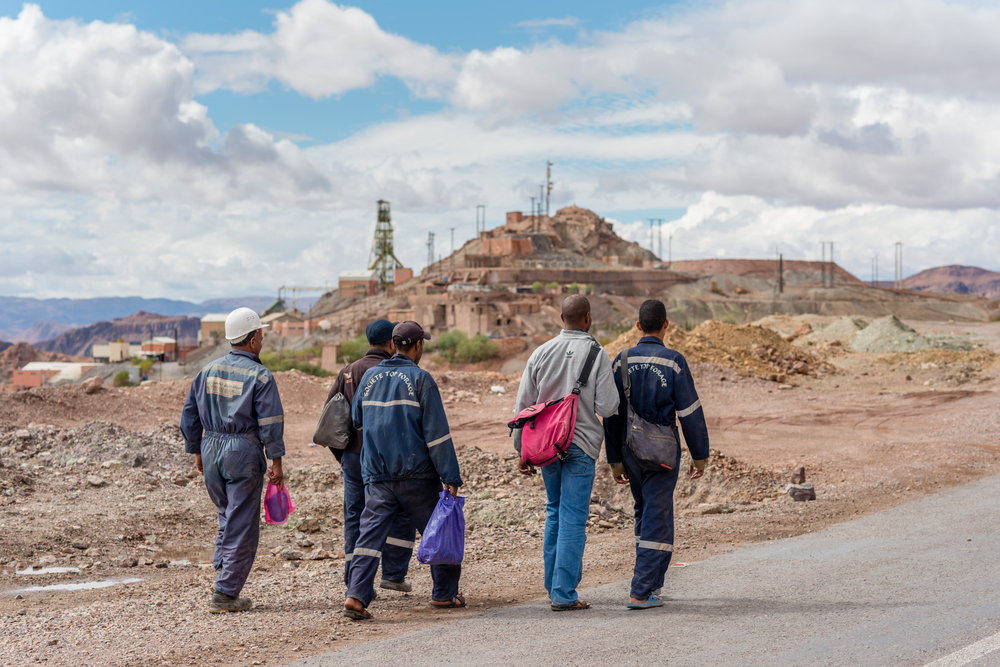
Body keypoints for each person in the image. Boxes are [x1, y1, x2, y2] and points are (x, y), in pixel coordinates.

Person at [343, 321, 465, 620]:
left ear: (393, 344)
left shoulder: (370, 377)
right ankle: (444, 595)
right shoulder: (421, 379)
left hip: (376, 476)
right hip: (417, 477)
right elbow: (437, 435)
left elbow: (357, 419)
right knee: (440, 531)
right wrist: (451, 476)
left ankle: (356, 596)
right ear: (418, 345)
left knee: (369, 537)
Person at [513, 295, 619, 612]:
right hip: (580, 444)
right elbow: (607, 406)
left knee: (554, 510)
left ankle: (553, 586)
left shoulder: (540, 353)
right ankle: (563, 592)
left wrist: (521, 449)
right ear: (587, 318)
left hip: (546, 446)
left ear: (562, 317)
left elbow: (523, 406)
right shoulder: (597, 353)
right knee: (573, 516)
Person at [603, 299, 710, 610]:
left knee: (646, 512)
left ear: (637, 326)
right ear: (667, 324)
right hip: (662, 452)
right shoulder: (674, 361)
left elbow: (612, 415)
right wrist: (699, 455)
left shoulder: (620, 361)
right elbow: (690, 412)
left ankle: (654, 582)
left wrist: (614, 460)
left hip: (629, 451)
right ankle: (641, 590)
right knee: (656, 516)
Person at [180, 307, 285, 613]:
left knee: (227, 514)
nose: (262, 341)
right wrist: (276, 461)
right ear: (252, 340)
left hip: (211, 449)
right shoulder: (260, 375)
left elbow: (189, 414)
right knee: (242, 523)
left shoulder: (207, 371)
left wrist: (197, 450)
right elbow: (271, 422)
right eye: (261, 336)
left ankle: (222, 568)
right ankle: (225, 593)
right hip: (242, 453)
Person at [325, 319, 416, 592]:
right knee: (400, 510)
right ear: (392, 342)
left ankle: (355, 581)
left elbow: (331, 418)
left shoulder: (348, 371)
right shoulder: (390, 371)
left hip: (353, 458)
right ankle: (394, 574)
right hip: (385, 458)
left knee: (355, 516)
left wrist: (343, 456)